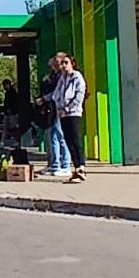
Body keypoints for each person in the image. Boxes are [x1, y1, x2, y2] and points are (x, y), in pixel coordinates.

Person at [53, 52, 88, 183]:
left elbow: (80, 93)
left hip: (73, 112)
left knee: (76, 139)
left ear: (72, 64)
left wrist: (69, 106)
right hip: (62, 113)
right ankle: (76, 167)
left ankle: (81, 167)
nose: (64, 65)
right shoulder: (62, 78)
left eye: (66, 63)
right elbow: (57, 93)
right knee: (68, 140)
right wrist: (58, 104)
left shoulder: (77, 77)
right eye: (62, 63)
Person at [37, 68, 68, 175]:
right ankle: (54, 164)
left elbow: (57, 93)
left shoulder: (63, 77)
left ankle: (63, 165)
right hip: (53, 110)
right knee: (52, 137)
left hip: (58, 109)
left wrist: (44, 98)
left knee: (60, 137)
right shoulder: (53, 76)